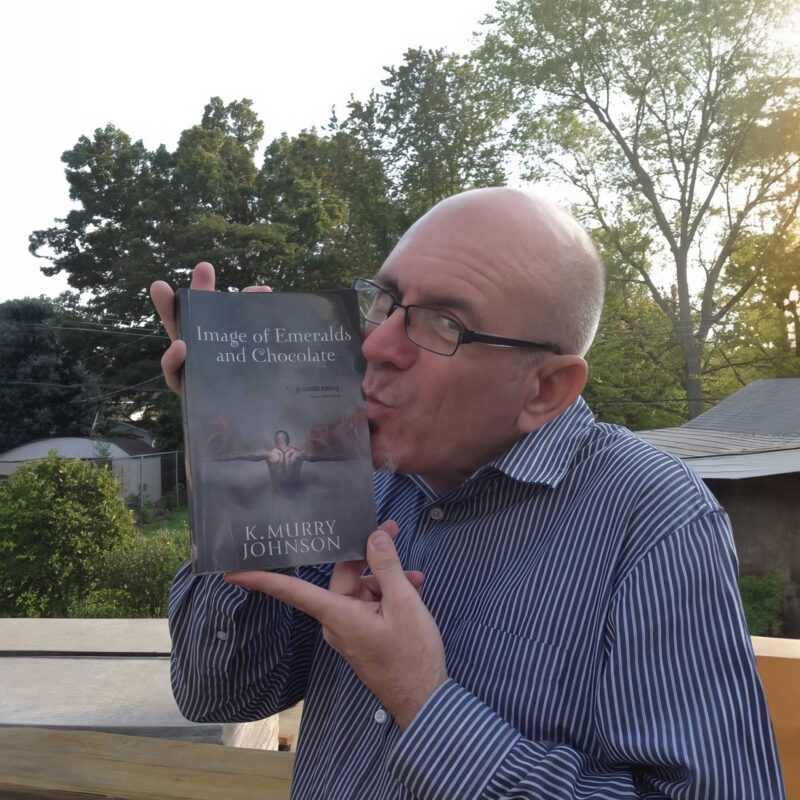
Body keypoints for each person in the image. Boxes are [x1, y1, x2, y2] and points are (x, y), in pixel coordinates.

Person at [151, 188, 785, 799]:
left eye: (445, 324)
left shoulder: (651, 519)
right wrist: (241, 468)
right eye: (385, 300)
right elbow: (219, 697)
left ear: (545, 389)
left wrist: (422, 699)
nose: (375, 344)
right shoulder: (351, 469)